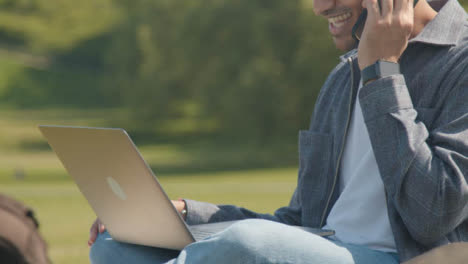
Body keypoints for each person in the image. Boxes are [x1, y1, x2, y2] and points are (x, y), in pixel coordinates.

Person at [88, 0, 468, 262]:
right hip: (322, 250)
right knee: (115, 247)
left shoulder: (460, 65)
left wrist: (382, 74)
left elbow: (432, 214)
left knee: (246, 245)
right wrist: (186, 215)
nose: (320, 7)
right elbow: (298, 226)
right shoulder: (343, 77)